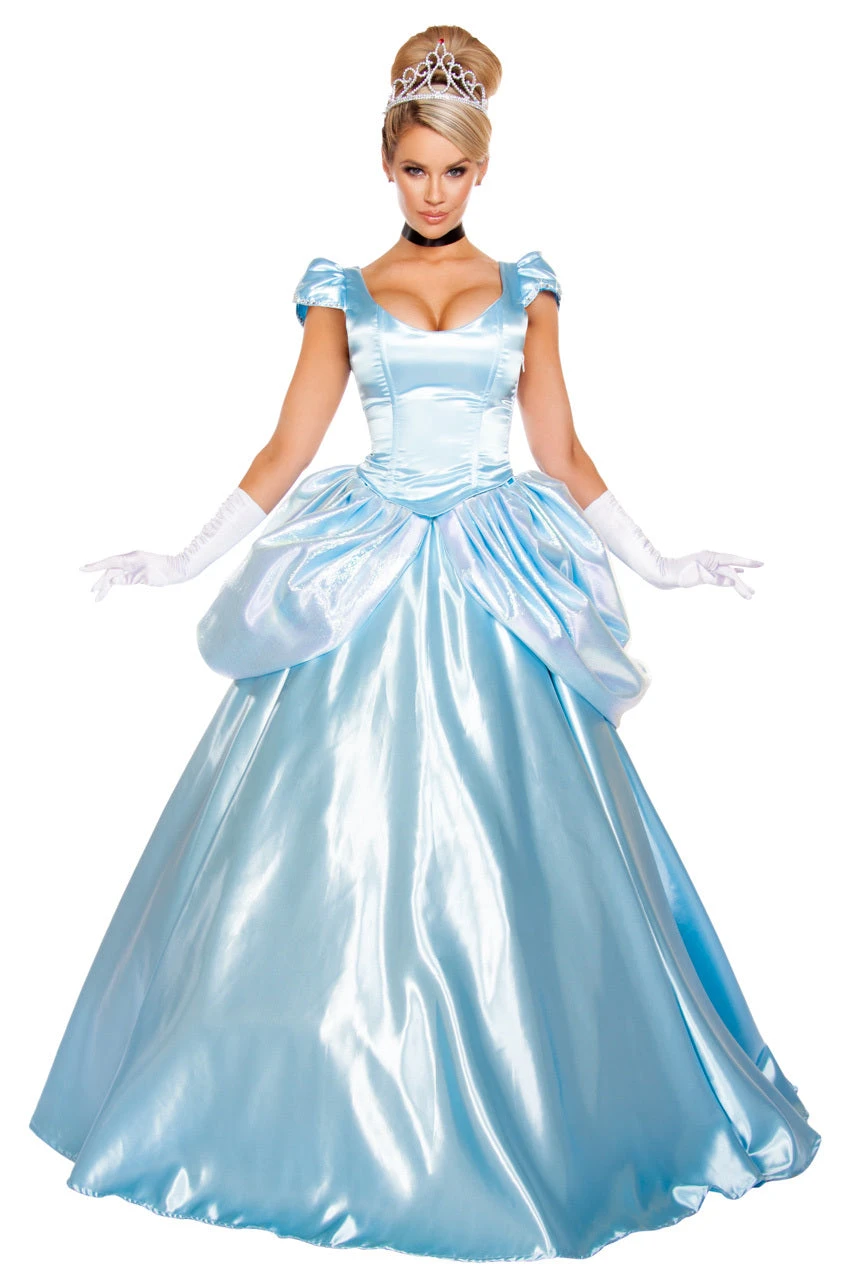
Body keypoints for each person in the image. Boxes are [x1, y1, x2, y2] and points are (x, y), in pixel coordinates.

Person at [28, 24, 821, 1263]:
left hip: (494, 569)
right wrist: (181, 557)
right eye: (414, 169)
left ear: (480, 168)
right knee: (316, 851)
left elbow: (560, 449)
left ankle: (539, 1105)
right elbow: (288, 446)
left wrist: (662, 561)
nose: (434, 190)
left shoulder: (528, 290)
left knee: (523, 848)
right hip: (369, 568)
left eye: (453, 170)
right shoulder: (340, 290)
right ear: (386, 165)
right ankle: (299, 1108)